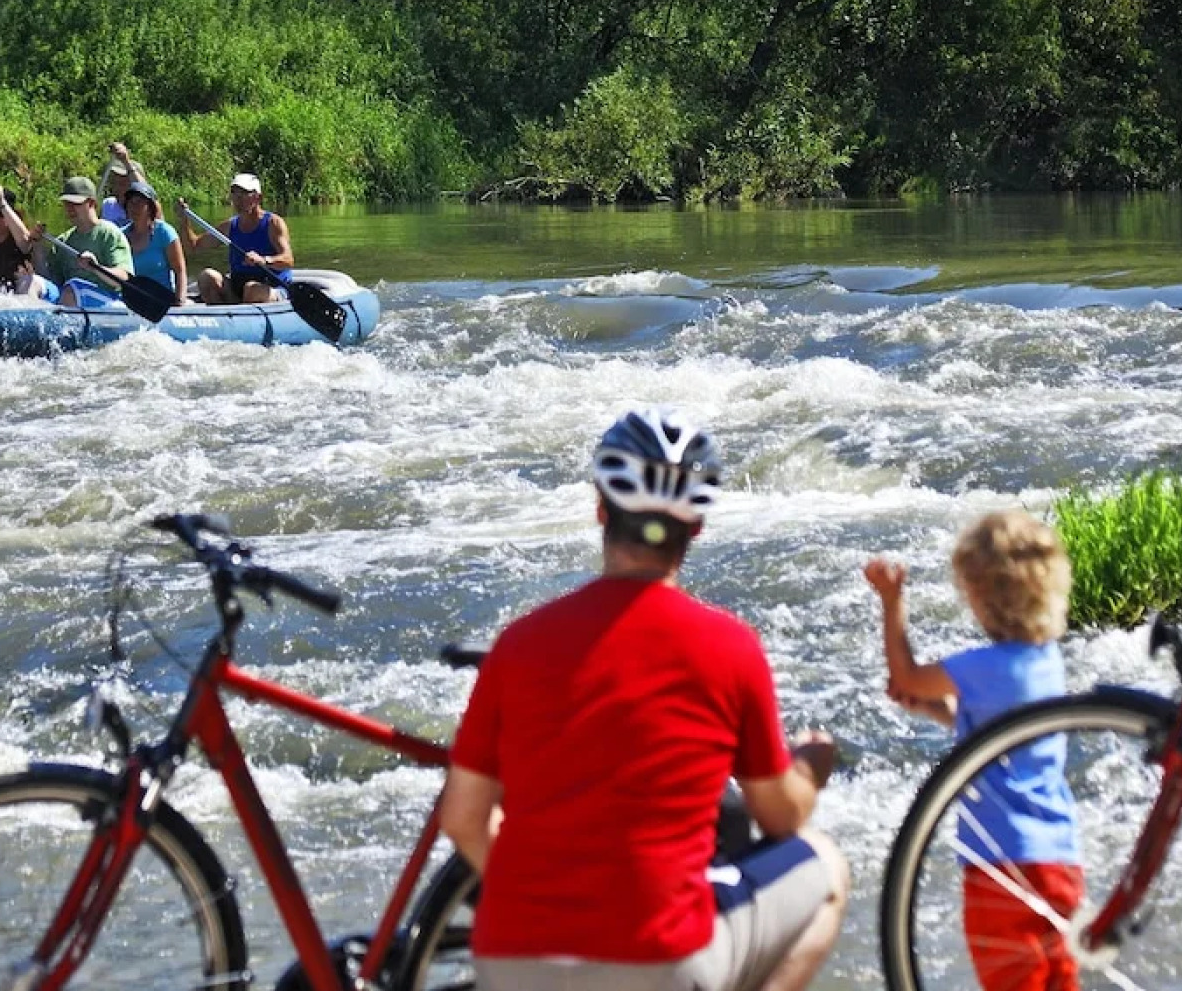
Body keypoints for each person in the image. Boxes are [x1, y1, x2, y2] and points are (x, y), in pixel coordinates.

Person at [439, 409, 849, 991]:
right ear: (696, 527)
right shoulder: (729, 647)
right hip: (659, 960)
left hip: (513, 961)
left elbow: (462, 817)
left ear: (600, 510)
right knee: (825, 862)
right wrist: (809, 767)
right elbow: (779, 816)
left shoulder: (520, 643)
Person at [865, 510, 1081, 991]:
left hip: (1000, 867)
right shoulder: (1047, 661)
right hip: (1060, 860)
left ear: (983, 597)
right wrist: (938, 710)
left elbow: (906, 676)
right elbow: (999, 734)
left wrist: (892, 601)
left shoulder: (984, 665)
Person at [175, 172, 292, 305]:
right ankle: (222, 314)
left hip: (271, 287)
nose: (238, 199)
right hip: (238, 289)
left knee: (251, 289)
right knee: (206, 277)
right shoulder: (230, 226)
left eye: (243, 193)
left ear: (258, 198)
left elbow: (288, 260)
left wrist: (264, 260)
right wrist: (184, 221)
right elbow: (193, 246)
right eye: (234, 193)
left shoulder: (273, 223)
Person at [28, 176, 134, 309]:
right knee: (32, 282)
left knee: (73, 288)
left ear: (91, 203)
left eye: (75, 203)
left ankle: (64, 320)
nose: (70, 208)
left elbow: (123, 279)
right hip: (70, 295)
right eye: (67, 203)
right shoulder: (64, 239)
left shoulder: (110, 233)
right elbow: (49, 279)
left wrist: (95, 267)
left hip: (107, 300)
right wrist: (37, 245)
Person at [120, 179, 187, 304]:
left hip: (161, 300)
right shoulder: (120, 236)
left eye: (139, 203)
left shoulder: (164, 232)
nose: (134, 207)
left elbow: (180, 271)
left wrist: (180, 301)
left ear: (150, 207)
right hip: (132, 301)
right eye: (131, 203)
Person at [99, 141, 147, 228]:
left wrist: (126, 161)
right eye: (117, 176)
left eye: (125, 177)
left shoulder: (146, 209)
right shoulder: (107, 204)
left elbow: (144, 190)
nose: (119, 180)